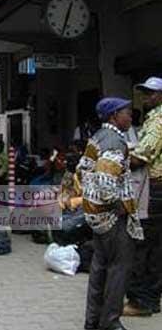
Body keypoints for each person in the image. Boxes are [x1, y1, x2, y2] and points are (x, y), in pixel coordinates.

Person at [77, 97, 143, 330]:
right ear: (114, 116)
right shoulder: (115, 141)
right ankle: (110, 322)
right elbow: (106, 181)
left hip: (96, 216)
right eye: (126, 113)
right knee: (119, 268)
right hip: (112, 216)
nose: (130, 116)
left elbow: (82, 169)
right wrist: (115, 203)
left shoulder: (97, 137)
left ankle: (92, 320)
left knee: (99, 267)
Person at [124, 76, 162, 317]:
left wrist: (114, 159)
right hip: (155, 187)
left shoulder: (158, 120)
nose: (147, 97)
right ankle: (151, 297)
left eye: (152, 93)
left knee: (144, 244)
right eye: (145, 93)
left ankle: (143, 302)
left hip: (155, 189)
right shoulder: (153, 119)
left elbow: (141, 157)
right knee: (155, 246)